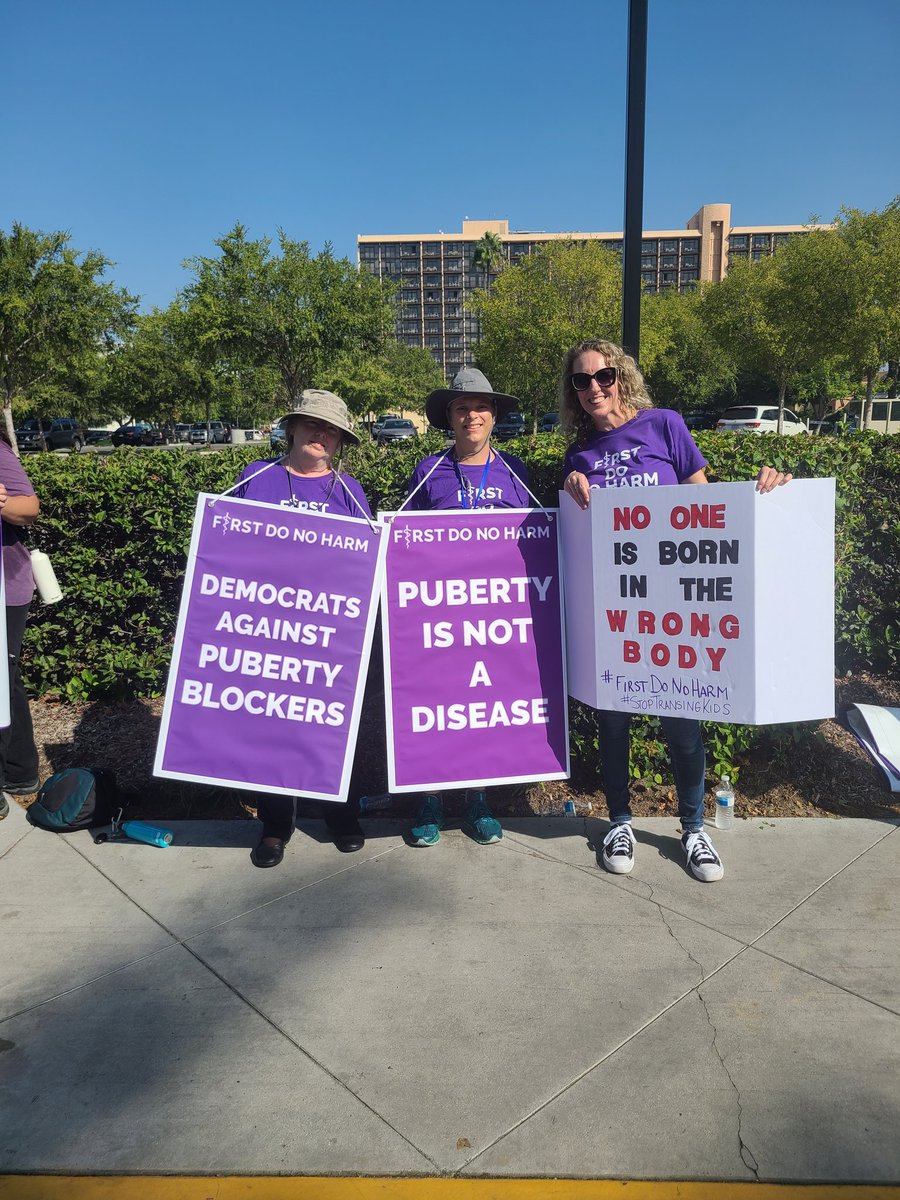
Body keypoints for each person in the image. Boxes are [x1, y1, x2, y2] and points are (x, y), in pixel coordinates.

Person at [560, 340, 790, 883]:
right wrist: (571, 490)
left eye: (604, 375)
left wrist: (766, 494)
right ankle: (619, 821)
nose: (595, 387)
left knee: (684, 726)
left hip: (674, 612)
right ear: (572, 392)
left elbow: (706, 510)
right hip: (616, 613)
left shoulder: (665, 426)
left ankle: (692, 829)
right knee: (612, 725)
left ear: (622, 377)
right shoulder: (578, 456)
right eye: (581, 381)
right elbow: (579, 538)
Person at [234, 389, 373, 866]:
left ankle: (340, 812)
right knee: (272, 725)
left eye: (332, 430)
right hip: (268, 631)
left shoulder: (350, 491)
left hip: (332, 636)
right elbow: (227, 545)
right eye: (313, 425)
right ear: (291, 428)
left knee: (334, 727)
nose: (321, 435)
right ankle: (275, 824)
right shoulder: (255, 478)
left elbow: (365, 565)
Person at [405, 367, 532, 847]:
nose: (471, 415)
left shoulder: (515, 471)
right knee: (437, 706)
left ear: (493, 415)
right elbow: (407, 543)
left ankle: (478, 800)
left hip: (495, 617)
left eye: (480, 407)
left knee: (481, 708)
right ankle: (431, 799)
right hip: (438, 616)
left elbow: (536, 537)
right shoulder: (429, 471)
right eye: (462, 408)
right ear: (450, 419)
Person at [0, 432, 41, 821]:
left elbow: (29, 508)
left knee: (0, 678)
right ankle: (21, 774)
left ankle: (17, 776)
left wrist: (3, 502)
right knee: (5, 681)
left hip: (5, 586)